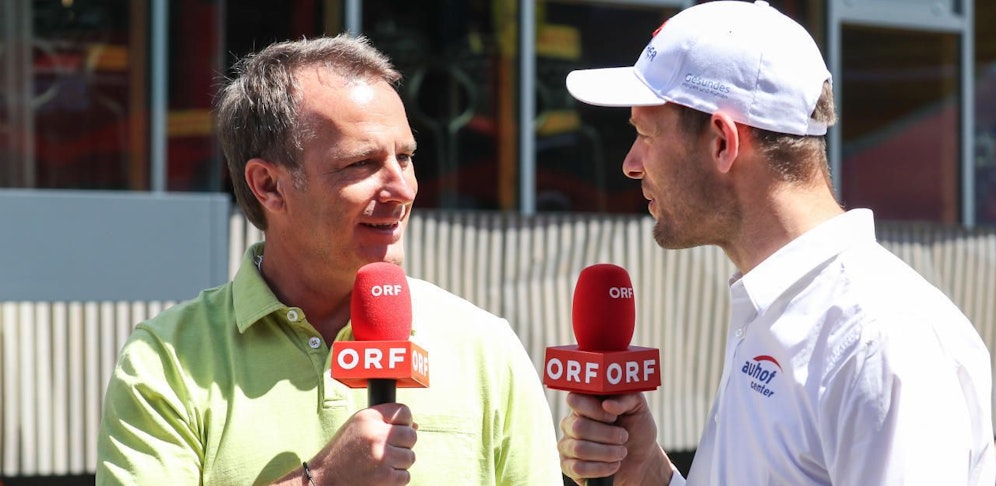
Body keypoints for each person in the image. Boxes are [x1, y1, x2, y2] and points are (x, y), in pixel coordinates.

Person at [557, 1, 996, 485]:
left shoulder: (876, 338)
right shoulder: (786, 308)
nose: (631, 163)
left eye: (643, 133)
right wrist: (647, 472)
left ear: (723, 141)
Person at [96, 34, 562, 485]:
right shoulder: (168, 360)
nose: (401, 189)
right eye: (361, 163)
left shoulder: (484, 348)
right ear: (269, 186)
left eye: (405, 157)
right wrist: (324, 481)